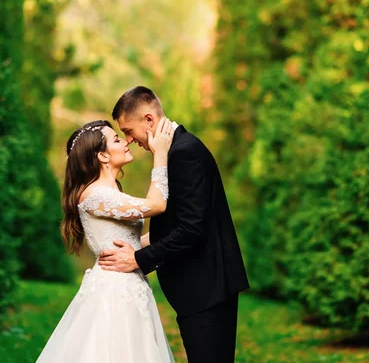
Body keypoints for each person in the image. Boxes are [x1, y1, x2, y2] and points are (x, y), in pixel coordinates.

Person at [98, 86, 250, 363]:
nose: (129, 140)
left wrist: (139, 259)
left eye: (129, 131)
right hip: (203, 289)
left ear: (149, 120)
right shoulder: (177, 150)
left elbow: (192, 229)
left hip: (207, 288)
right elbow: (176, 222)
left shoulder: (184, 153)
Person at [36, 119, 175, 363]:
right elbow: (157, 204)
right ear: (102, 156)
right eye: (117, 139)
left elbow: (129, 243)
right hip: (115, 292)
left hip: (130, 284)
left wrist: (176, 232)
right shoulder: (95, 195)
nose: (126, 141)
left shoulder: (110, 194)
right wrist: (160, 154)